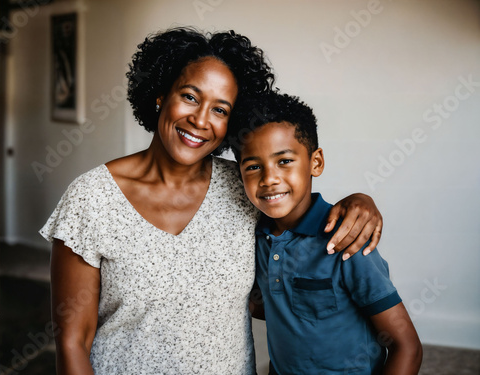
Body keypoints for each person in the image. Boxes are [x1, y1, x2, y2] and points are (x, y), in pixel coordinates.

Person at [41, 27, 384, 375]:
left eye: (220, 110)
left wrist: (360, 199)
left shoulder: (245, 186)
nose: (201, 120)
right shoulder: (92, 197)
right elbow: (72, 341)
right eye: (190, 96)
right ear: (161, 94)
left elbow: (300, 216)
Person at [233, 91, 423, 374]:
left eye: (284, 161)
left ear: (316, 162)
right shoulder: (254, 237)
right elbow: (273, 306)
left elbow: (406, 347)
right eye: (253, 166)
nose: (269, 178)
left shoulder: (347, 239)